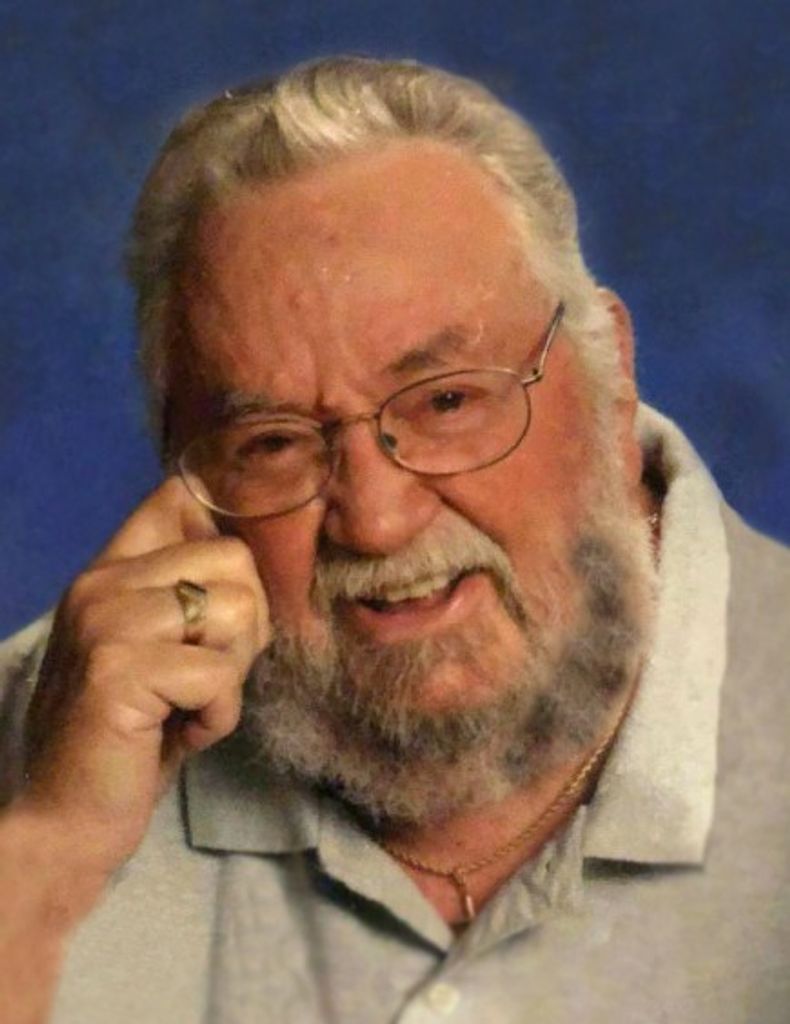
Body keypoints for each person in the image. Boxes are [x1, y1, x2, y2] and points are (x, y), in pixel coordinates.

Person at [0, 55, 788, 1024]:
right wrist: (53, 854)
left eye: (447, 401)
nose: (375, 520)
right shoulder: (39, 744)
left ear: (611, 375)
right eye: (273, 443)